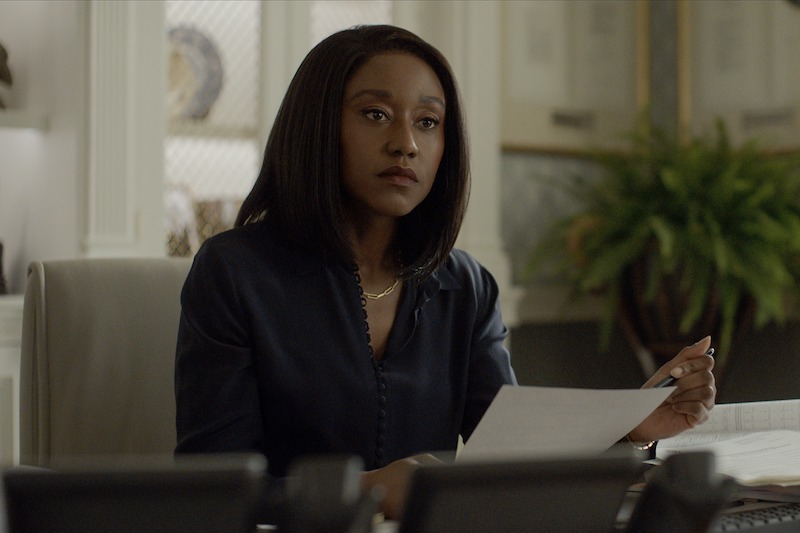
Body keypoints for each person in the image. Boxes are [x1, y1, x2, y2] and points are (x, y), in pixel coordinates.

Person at [174, 24, 716, 520]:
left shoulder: (467, 287)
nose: (405, 142)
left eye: (428, 122)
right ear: (317, 127)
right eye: (375, 114)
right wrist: (367, 489)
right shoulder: (234, 273)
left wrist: (631, 429)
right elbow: (214, 491)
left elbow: (509, 463)